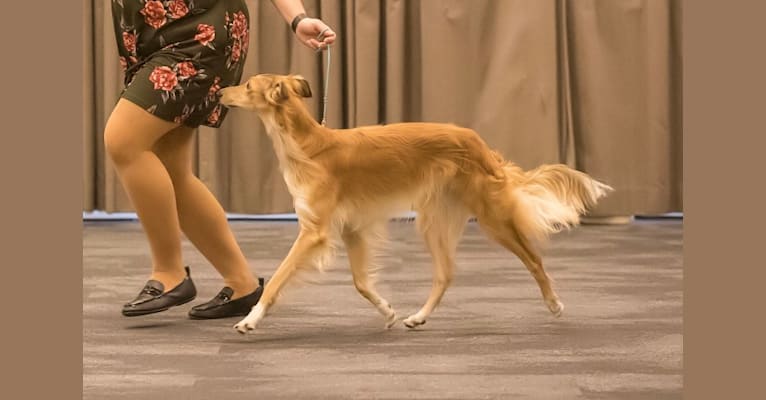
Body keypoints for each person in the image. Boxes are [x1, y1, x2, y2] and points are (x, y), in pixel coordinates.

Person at [106, 0, 336, 319]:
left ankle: (169, 272)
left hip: (199, 34)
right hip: (148, 35)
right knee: (171, 169)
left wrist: (297, 19)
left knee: (122, 140)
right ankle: (241, 283)